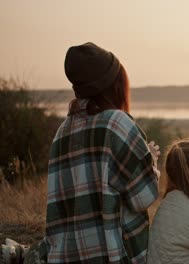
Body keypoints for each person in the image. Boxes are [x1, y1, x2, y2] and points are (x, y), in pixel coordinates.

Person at [44, 42, 160, 263]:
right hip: (112, 254)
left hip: (65, 256)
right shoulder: (117, 123)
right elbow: (143, 197)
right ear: (114, 84)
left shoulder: (62, 131)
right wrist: (151, 162)